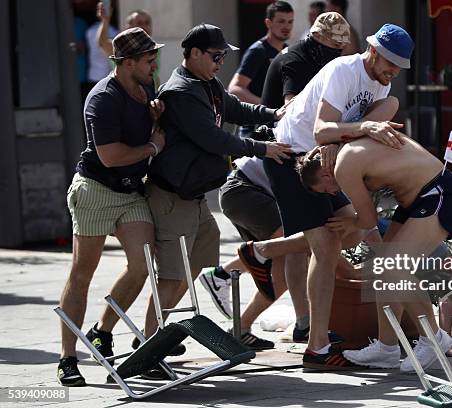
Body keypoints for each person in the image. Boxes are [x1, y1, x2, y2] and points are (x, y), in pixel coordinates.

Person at [238, 24, 414, 370]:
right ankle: (316, 345)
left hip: (328, 154)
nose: (393, 71)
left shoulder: (384, 84)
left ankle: (262, 251)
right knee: (325, 245)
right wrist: (365, 129)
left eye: (399, 67)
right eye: (390, 62)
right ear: (373, 51)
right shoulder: (343, 70)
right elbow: (322, 129)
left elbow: (355, 129)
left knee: (355, 225)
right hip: (292, 155)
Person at [201, 12, 351, 350]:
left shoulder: (317, 61)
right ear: (319, 40)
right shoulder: (296, 60)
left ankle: (249, 328)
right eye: (334, 48)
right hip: (248, 183)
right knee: (303, 240)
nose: (338, 56)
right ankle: (225, 272)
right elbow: (293, 106)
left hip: (269, 176)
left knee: (286, 268)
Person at [140, 23, 292, 352]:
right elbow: (213, 138)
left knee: (196, 267)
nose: (221, 61)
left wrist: (275, 114)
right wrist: (264, 148)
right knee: (171, 275)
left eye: (224, 55)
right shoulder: (181, 91)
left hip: (195, 197)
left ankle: (160, 336)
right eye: (215, 55)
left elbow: (236, 108)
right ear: (193, 53)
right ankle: (149, 342)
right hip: (173, 196)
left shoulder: (207, 83)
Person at [296, 124, 452, 371]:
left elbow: (368, 221)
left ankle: (433, 337)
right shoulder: (349, 149)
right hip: (418, 199)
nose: (332, 193)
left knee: (395, 268)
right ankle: (387, 348)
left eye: (326, 190)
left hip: (439, 194)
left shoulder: (343, 167)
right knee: (385, 268)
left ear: (324, 176)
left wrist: (350, 221)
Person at [57, 28, 165, 387]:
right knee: (82, 274)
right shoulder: (102, 98)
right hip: (96, 190)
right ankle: (67, 357)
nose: (155, 64)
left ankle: (102, 330)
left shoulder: (144, 87)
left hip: (131, 192)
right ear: (128, 63)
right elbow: (111, 155)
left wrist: (154, 116)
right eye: (149, 59)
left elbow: (141, 129)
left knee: (143, 264)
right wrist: (153, 146)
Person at [229, 1, 293, 138]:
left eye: (290, 22)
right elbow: (235, 89)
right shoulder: (258, 51)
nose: (286, 26)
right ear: (268, 23)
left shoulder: (289, 51)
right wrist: (267, 106)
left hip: (277, 127)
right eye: (281, 21)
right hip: (253, 128)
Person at [95, 3, 160, 87]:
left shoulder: (155, 46)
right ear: (128, 27)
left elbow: (155, 76)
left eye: (147, 23)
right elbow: (103, 42)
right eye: (139, 23)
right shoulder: (122, 48)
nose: (144, 26)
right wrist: (105, 20)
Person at [84, 12, 118, 95]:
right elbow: (102, 43)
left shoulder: (89, 31)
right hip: (104, 77)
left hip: (95, 75)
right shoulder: (114, 31)